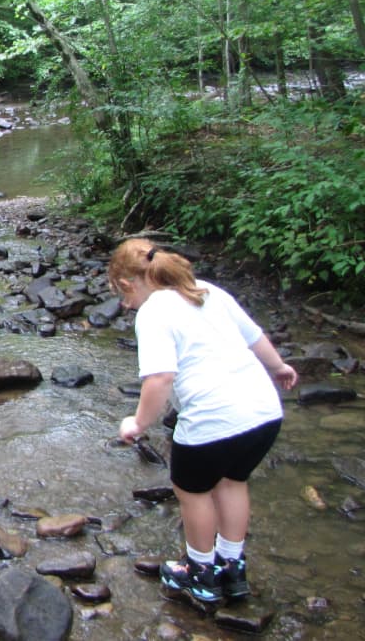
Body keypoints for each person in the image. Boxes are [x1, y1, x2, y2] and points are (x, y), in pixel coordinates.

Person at [109, 239, 297, 605]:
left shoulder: (153, 312)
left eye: (122, 294)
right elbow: (254, 336)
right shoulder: (205, 290)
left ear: (130, 283)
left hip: (213, 419)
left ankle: (200, 574)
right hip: (264, 414)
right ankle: (232, 569)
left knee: (193, 494)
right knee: (232, 483)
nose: (125, 304)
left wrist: (139, 422)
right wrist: (279, 367)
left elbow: (160, 378)